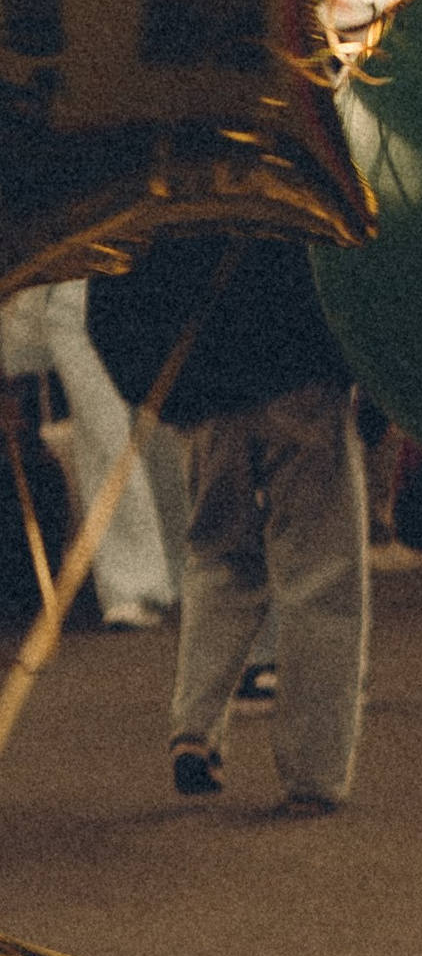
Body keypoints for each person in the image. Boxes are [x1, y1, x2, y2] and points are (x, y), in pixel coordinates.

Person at [86, 231, 370, 815]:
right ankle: (313, 775)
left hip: (207, 391)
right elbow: (349, 258)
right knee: (320, 571)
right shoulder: (286, 146)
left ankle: (194, 727)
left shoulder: (169, 151)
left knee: (217, 556)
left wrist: (157, 397)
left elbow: (109, 297)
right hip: (302, 371)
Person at [0, 280, 176, 627]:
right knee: (108, 433)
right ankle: (136, 583)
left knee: (159, 426)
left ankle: (172, 569)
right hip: (71, 285)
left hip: (116, 275)